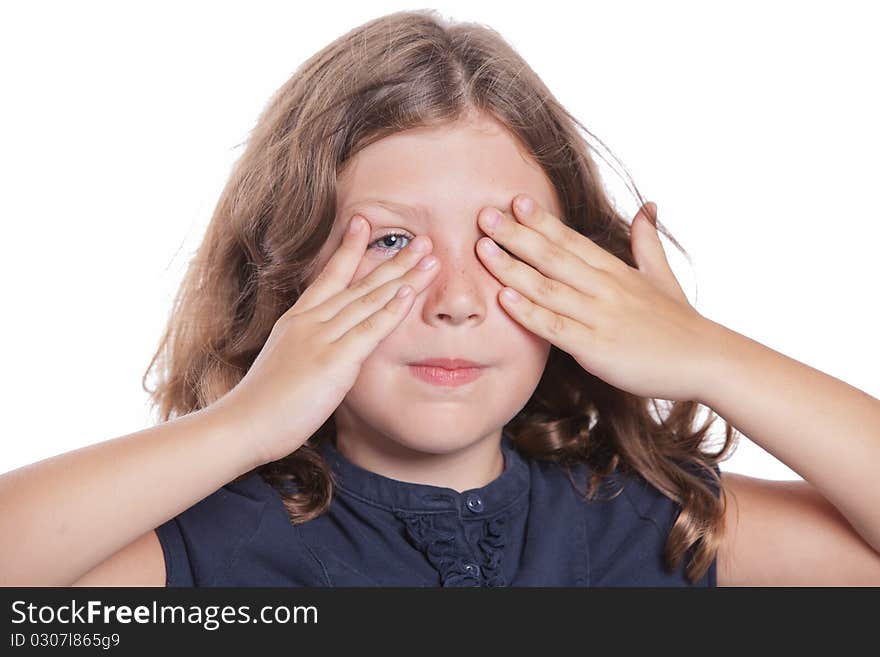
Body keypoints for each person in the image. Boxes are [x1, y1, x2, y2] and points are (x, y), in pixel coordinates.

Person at [3, 9, 880, 588]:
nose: (456, 299)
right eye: (391, 243)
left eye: (501, 245)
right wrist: (246, 422)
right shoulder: (214, 553)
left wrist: (705, 354)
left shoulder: (649, 528)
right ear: (291, 278)